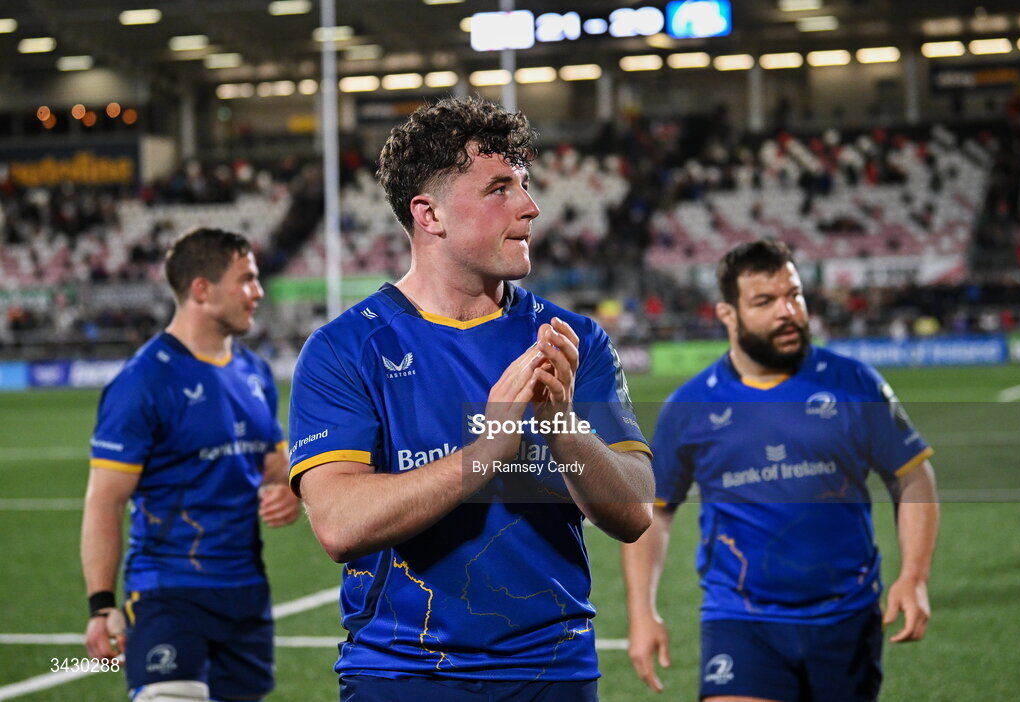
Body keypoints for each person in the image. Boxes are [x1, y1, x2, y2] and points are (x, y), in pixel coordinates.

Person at [288, 96, 655, 701]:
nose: (531, 208)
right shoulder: (345, 349)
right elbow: (340, 524)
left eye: (526, 186)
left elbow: (635, 510)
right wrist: (488, 452)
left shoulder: (571, 341)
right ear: (429, 214)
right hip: (401, 676)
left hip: (553, 674)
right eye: (499, 189)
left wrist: (561, 426)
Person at [622, 239, 939, 702]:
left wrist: (914, 576)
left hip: (846, 615)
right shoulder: (690, 407)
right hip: (740, 619)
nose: (787, 311)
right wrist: (641, 611)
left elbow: (912, 476)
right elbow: (656, 512)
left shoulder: (854, 382)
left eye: (794, 295)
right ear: (727, 314)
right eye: (765, 301)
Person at [81, 227, 299, 702]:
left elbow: (274, 465)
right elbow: (105, 502)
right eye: (246, 279)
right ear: (202, 289)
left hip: (247, 594)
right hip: (168, 593)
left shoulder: (255, 373)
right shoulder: (144, 381)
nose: (258, 292)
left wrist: (289, 489)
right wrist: (101, 606)